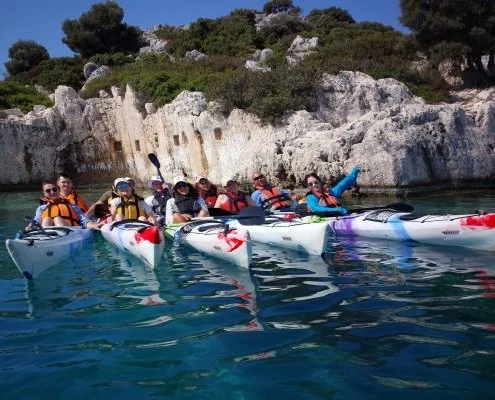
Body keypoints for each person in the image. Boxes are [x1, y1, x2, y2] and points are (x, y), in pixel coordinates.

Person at [28, 180, 101, 230]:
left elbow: (83, 220)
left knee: (57, 218)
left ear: (59, 190)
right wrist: (29, 227)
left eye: (54, 189)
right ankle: (44, 240)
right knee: (47, 219)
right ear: (44, 193)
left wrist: (93, 225)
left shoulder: (72, 205)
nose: (52, 192)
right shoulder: (41, 208)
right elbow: (36, 220)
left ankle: (60, 238)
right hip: (48, 233)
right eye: (48, 191)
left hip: (71, 231)